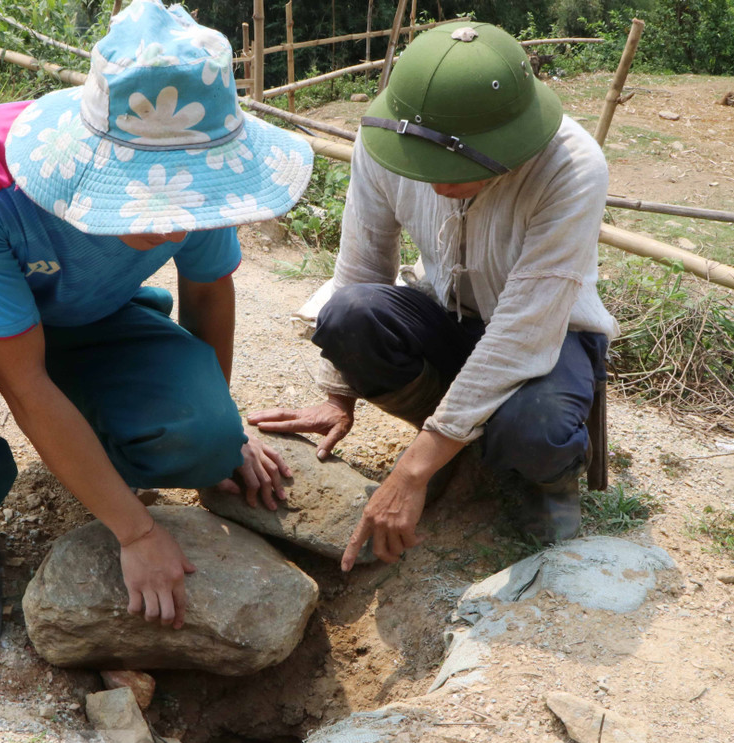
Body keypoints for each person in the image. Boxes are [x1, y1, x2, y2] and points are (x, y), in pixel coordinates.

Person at [0, 0, 314, 652]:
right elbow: (20, 378)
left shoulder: (202, 175)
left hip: (96, 317)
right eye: (148, 192)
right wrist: (134, 532)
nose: (170, 223)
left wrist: (222, 423)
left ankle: (91, 445)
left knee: (207, 438)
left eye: (187, 197)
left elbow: (209, 294)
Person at [250, 21, 618, 569]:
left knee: (536, 428)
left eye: (455, 168)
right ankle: (459, 442)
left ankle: (545, 480)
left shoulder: (571, 168)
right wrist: (338, 395)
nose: (438, 184)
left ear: (510, 146)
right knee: (348, 316)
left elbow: (522, 333)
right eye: (425, 167)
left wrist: (410, 470)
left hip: (547, 333)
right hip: (445, 313)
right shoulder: (387, 142)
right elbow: (361, 269)